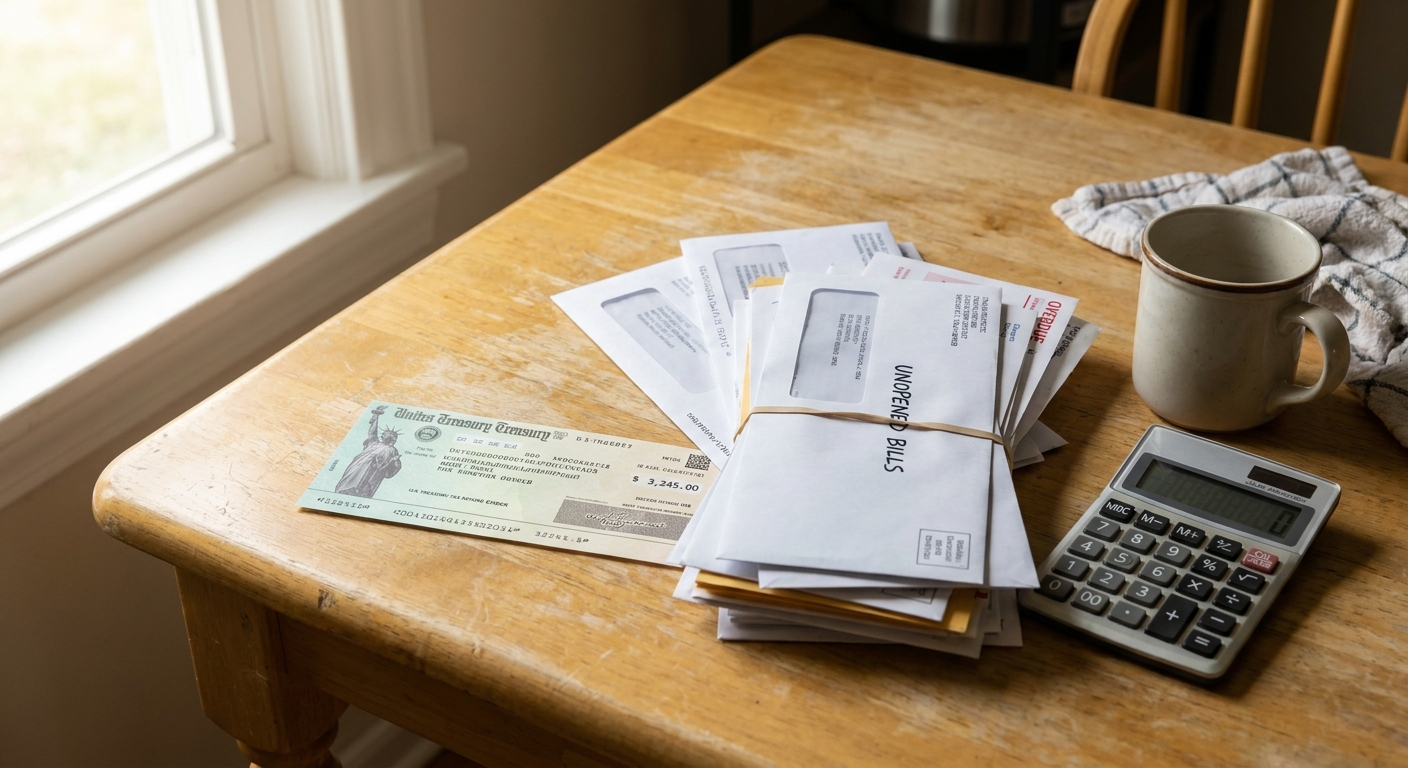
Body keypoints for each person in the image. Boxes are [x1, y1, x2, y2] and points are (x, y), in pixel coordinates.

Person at [335, 406, 402, 497]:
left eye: (387, 435)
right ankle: (346, 488)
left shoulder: (393, 450)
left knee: (364, 488)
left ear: (392, 438)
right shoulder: (374, 442)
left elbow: (395, 466)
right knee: (351, 481)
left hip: (375, 471)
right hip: (360, 465)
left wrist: (395, 461)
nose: (384, 435)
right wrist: (376, 416)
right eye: (384, 434)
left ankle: (359, 490)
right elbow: (372, 432)